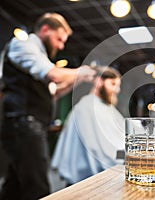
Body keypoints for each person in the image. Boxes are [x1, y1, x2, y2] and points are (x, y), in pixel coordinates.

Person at [0, 13, 95, 200]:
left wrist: (76, 80)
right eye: (59, 39)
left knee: (16, 183)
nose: (61, 46)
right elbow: (54, 75)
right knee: (37, 186)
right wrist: (80, 72)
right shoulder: (23, 45)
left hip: (30, 125)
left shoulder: (39, 56)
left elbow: (53, 91)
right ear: (45, 29)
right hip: (23, 123)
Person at [51, 66, 125, 185]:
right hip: (86, 181)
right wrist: (130, 155)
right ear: (99, 81)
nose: (117, 90)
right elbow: (100, 150)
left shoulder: (104, 108)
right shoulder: (86, 108)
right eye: (113, 84)